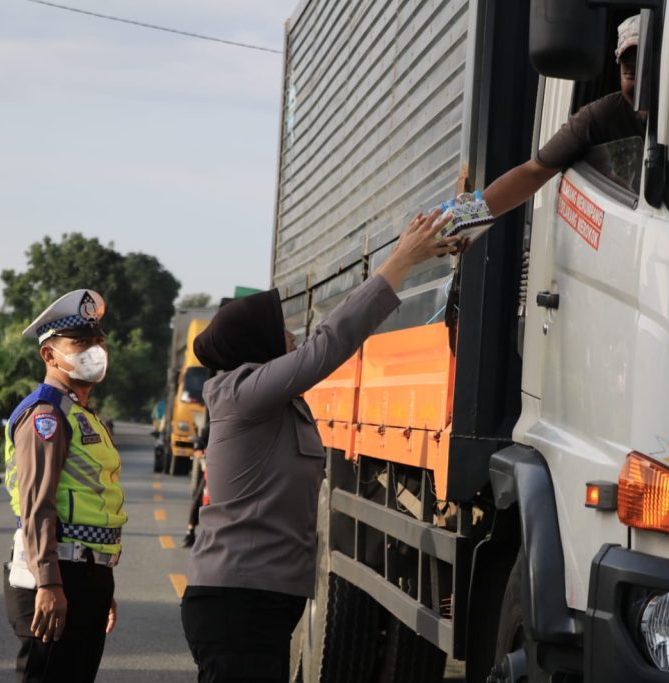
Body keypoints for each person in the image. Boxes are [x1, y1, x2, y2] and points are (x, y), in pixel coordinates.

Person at [180, 209, 460, 681]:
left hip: (261, 604)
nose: (293, 335)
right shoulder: (240, 394)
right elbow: (328, 344)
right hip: (237, 604)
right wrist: (401, 260)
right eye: (281, 330)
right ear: (256, 344)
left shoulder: (274, 404)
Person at [2, 289, 125, 683]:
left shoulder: (81, 413)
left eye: (98, 341)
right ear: (49, 355)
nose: (95, 351)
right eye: (81, 343)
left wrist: (99, 579)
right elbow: (37, 505)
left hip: (81, 575)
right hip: (57, 576)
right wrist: (50, 583)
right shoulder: (47, 414)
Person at [481, 14, 647, 218]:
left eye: (654, 72)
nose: (644, 86)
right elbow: (532, 173)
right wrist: (461, 218)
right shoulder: (602, 117)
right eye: (631, 74)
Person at [181, 406, 210, 548]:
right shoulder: (211, 427)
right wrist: (201, 452)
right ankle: (190, 532)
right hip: (212, 471)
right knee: (198, 499)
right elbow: (198, 448)